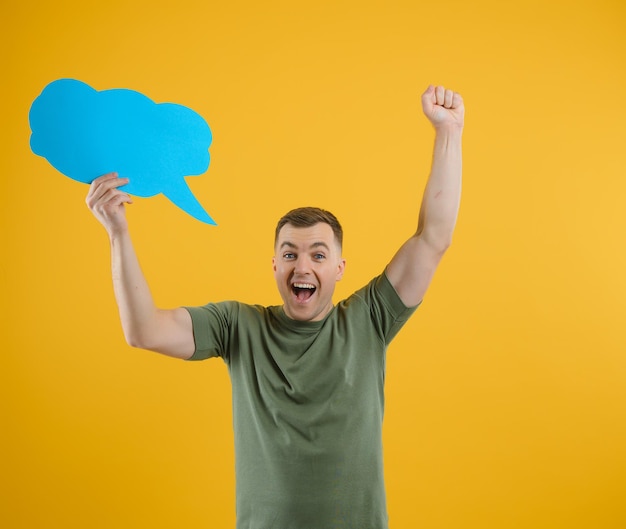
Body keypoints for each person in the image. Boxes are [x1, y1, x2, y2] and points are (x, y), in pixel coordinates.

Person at [86, 84, 464, 529]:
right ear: (274, 265)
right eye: (290, 254)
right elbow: (144, 330)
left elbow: (433, 237)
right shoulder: (237, 326)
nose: (302, 266)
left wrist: (449, 132)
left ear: (340, 268)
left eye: (318, 255)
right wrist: (118, 233)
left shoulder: (369, 320)